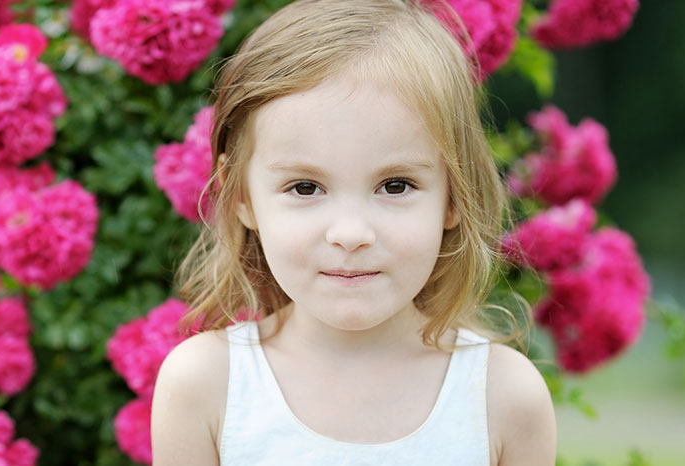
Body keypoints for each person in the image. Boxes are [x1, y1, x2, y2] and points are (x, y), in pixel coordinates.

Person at [150, 0, 557, 464]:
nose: (351, 233)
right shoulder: (207, 387)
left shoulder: (502, 399)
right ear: (240, 196)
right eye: (305, 187)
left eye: (395, 185)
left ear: (452, 197)